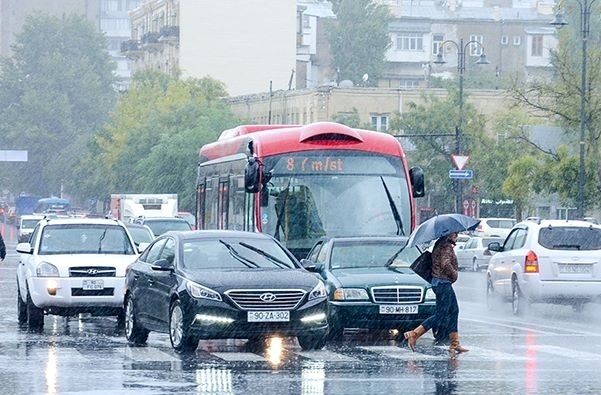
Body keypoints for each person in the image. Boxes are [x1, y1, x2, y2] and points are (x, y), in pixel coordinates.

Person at [403, 231, 468, 358]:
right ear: (449, 234)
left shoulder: (440, 244)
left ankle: (454, 343)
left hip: (439, 283)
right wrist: (454, 274)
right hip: (443, 283)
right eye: (455, 234)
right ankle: (414, 334)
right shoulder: (446, 247)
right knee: (441, 315)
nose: (457, 236)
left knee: (454, 310)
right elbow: (445, 264)